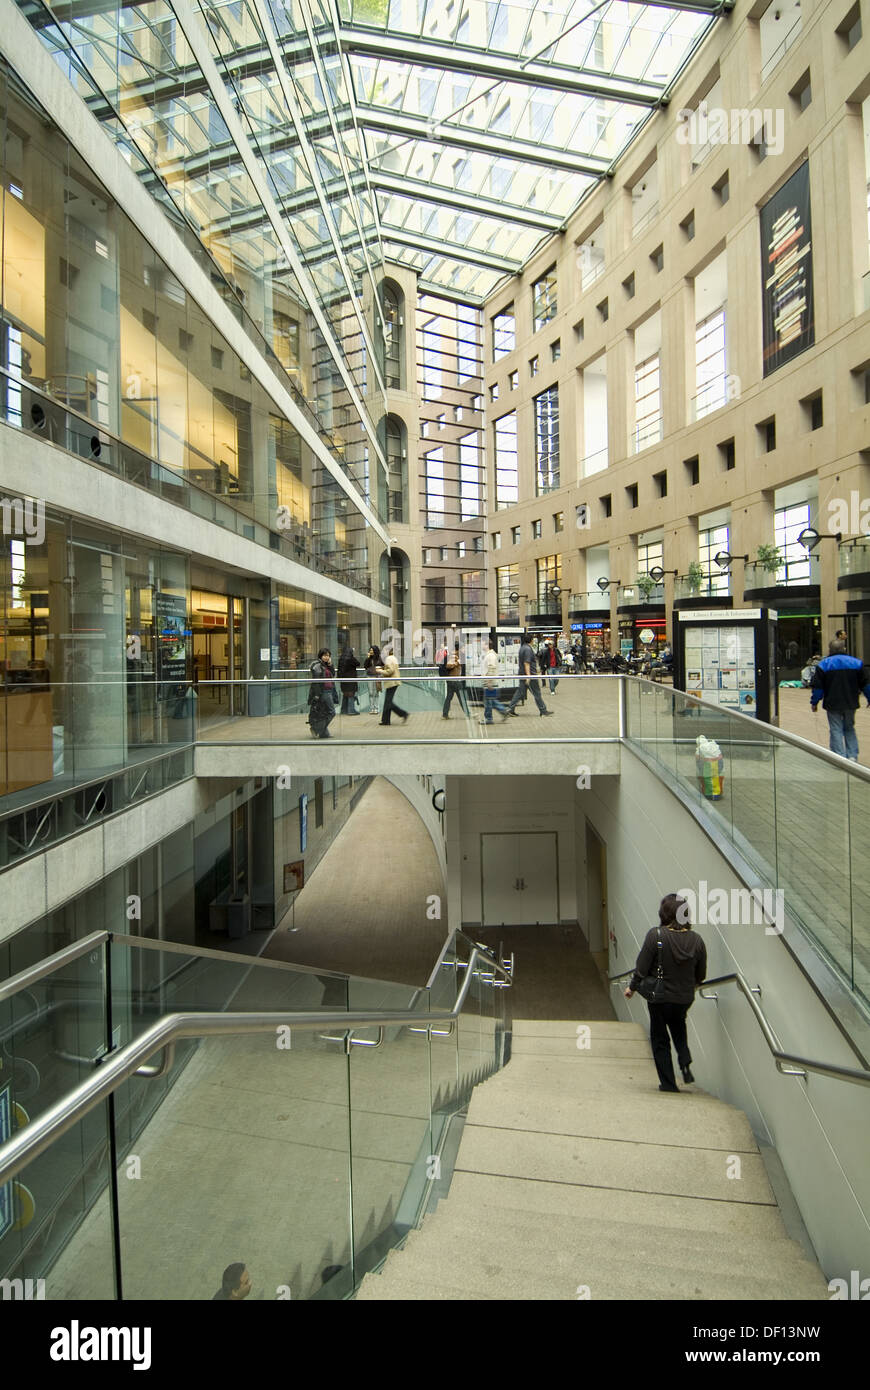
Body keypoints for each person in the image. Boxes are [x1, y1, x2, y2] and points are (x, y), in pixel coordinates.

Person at [625, 893, 707, 1092]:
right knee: (678, 1025)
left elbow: (641, 968)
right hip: (684, 998)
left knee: (660, 1039)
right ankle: (685, 1062)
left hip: (660, 998)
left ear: (664, 913)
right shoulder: (697, 940)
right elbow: (701, 975)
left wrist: (632, 988)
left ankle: (669, 1084)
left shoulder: (656, 935)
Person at [810, 638, 870, 761]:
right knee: (849, 727)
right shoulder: (856, 663)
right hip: (850, 702)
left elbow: (818, 687)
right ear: (844, 649)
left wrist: (814, 702)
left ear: (830, 650)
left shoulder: (824, 665)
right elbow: (865, 684)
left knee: (835, 729)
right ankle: (852, 755)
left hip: (832, 703)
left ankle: (839, 757)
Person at [507, 635, 553, 717]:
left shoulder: (522, 648)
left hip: (522, 674)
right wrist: (528, 676)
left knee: (520, 692)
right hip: (530, 675)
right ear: (531, 640)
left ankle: (510, 709)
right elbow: (527, 663)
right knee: (537, 693)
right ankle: (543, 710)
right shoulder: (528, 649)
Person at [479, 639, 510, 725]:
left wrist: (489, 681)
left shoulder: (490, 656)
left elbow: (491, 668)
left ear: (487, 645)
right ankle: (503, 711)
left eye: (483, 644)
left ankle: (489, 718)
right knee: (491, 700)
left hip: (490, 682)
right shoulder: (490, 655)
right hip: (490, 682)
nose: (481, 646)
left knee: (488, 701)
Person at [307, 648, 336, 738]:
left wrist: (330, 665)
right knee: (332, 712)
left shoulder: (326, 665)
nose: (327, 657)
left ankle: (323, 733)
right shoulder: (317, 665)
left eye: (328, 656)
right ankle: (316, 728)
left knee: (325, 712)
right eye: (325, 655)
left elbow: (333, 674)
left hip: (329, 690)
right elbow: (316, 681)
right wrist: (317, 695)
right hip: (323, 692)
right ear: (320, 656)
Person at [376, 646, 409, 725]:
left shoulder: (389, 659)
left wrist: (380, 671)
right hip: (394, 682)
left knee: (388, 702)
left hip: (392, 682)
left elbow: (390, 671)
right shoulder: (393, 658)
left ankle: (403, 714)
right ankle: (386, 720)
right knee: (388, 702)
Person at [441, 643, 469, 719]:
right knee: (461, 698)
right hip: (455, 680)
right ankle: (468, 714)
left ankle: (445, 714)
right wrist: (457, 663)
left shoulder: (457, 656)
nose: (464, 649)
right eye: (463, 648)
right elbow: (448, 666)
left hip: (452, 680)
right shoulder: (454, 656)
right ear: (459, 649)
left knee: (449, 697)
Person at [337, 646, 359, 714]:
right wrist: (353, 656)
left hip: (343, 679)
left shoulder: (341, 659)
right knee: (351, 694)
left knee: (345, 694)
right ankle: (351, 710)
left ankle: (343, 710)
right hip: (351, 679)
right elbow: (358, 663)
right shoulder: (351, 659)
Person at [363, 644, 381, 713]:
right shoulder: (369, 659)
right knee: (370, 692)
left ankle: (376, 708)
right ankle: (372, 708)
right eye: (370, 650)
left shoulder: (379, 658)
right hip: (369, 676)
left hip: (377, 676)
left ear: (375, 651)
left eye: (372, 650)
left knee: (376, 692)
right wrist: (368, 658)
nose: (371, 651)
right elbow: (365, 666)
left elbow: (383, 665)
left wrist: (379, 669)